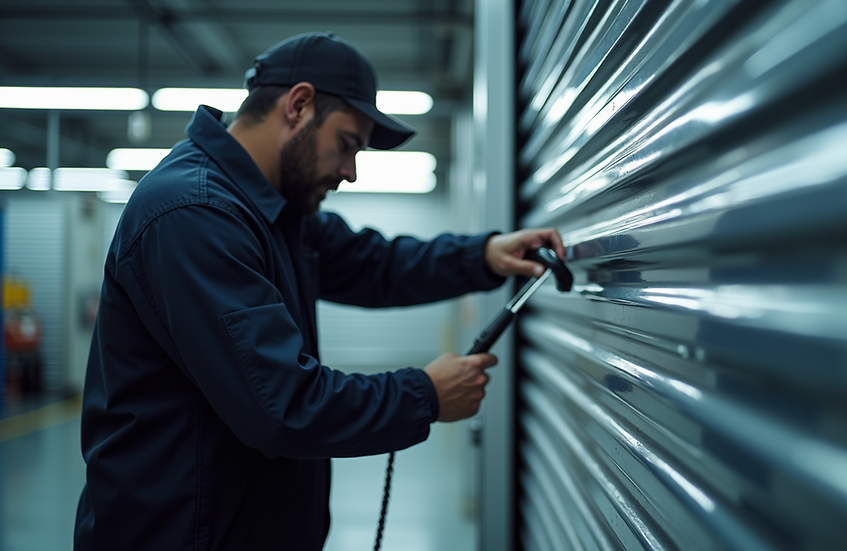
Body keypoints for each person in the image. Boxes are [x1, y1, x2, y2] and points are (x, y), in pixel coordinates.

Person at [73, 32, 565, 551]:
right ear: (299, 104)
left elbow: (377, 264)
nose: (350, 171)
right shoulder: (195, 214)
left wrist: (484, 255)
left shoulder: (276, 211)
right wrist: (424, 395)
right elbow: (281, 406)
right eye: (348, 143)